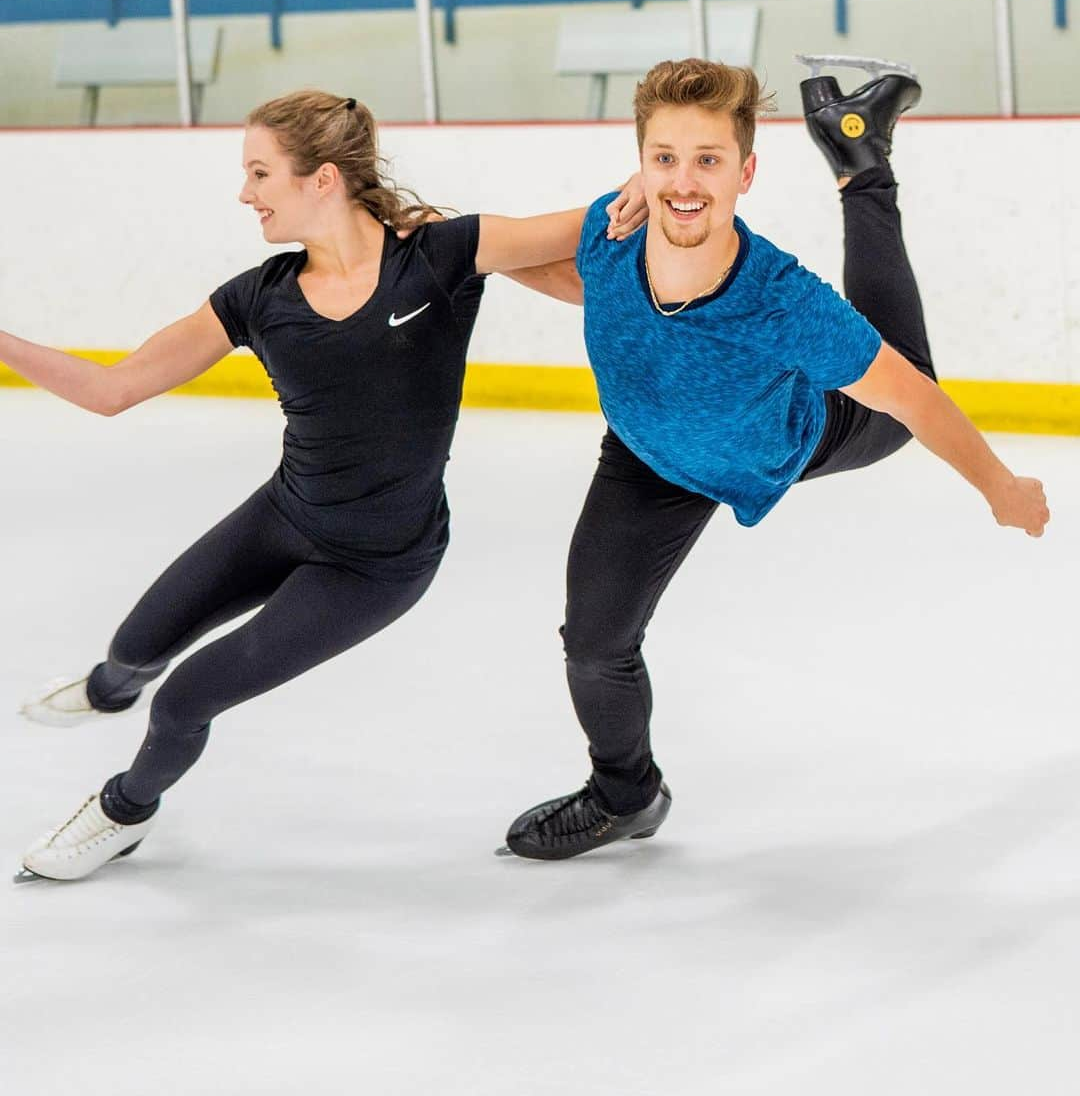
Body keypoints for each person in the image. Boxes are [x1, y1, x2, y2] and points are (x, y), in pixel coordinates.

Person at [12, 89, 644, 882]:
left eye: (259, 172)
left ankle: (122, 812)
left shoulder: (441, 253)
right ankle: (106, 691)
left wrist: (663, 175)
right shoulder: (258, 297)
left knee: (183, 699)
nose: (245, 193)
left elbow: (597, 223)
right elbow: (114, 389)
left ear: (322, 180)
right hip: (285, 514)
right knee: (133, 648)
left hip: (378, 564)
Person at [500, 56, 1050, 861]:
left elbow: (917, 404)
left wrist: (1000, 486)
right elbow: (541, 263)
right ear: (640, 161)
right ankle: (626, 794)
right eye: (665, 158)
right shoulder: (609, 233)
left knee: (903, 371)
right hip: (648, 456)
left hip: (796, 434)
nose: (685, 181)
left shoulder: (784, 301)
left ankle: (862, 167)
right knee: (593, 640)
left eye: (709, 161)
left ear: (747, 171)